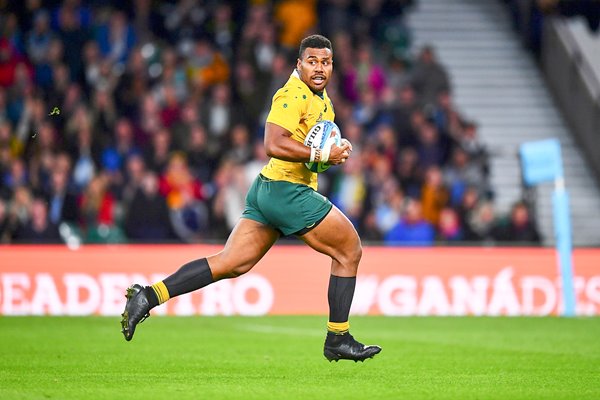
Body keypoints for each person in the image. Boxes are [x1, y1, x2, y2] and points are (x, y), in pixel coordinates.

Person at [120, 35, 381, 362]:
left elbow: (311, 154)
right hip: (287, 191)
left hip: (268, 189)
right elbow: (273, 142)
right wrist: (320, 151)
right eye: (312, 61)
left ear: (332, 66)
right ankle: (337, 337)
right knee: (349, 249)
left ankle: (148, 296)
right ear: (299, 64)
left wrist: (332, 155)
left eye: (325, 62)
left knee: (230, 263)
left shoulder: (323, 100)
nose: (318, 67)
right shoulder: (292, 94)